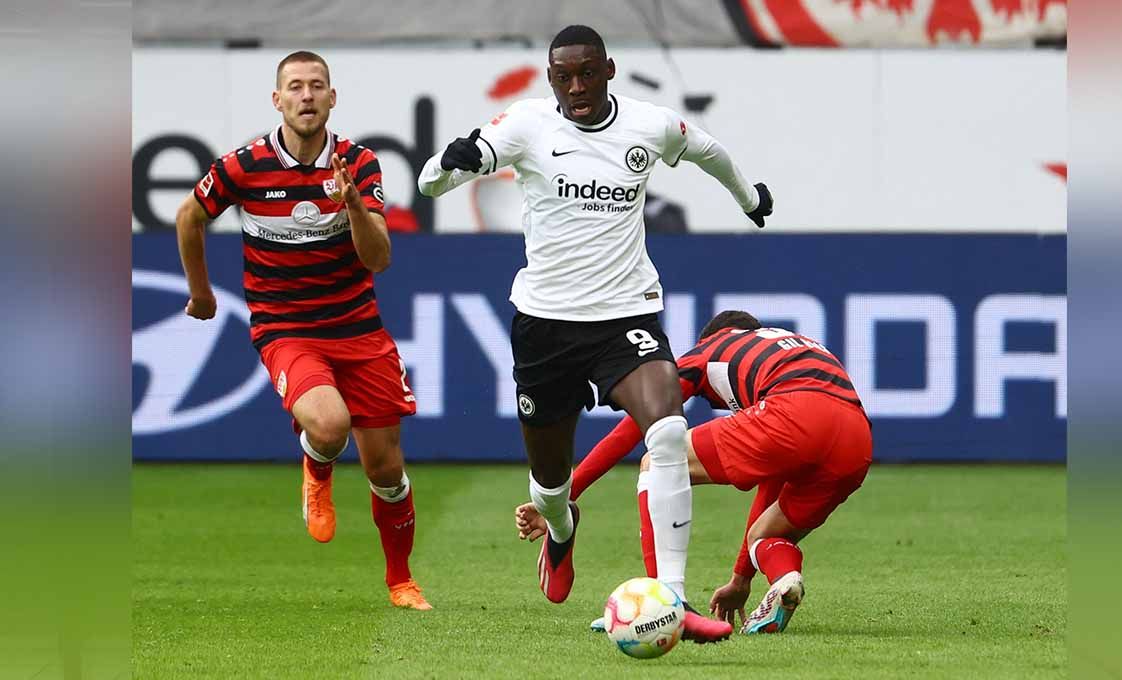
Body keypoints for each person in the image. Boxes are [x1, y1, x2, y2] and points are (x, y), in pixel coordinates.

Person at [418, 24, 771, 641]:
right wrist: (446, 170)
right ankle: (561, 529)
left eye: (587, 73)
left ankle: (673, 599)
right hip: (545, 326)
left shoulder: (649, 125)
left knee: (666, 431)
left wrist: (749, 199)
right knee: (550, 484)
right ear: (550, 79)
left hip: (624, 315)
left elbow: (709, 151)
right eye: (564, 77)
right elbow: (430, 180)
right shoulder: (527, 126)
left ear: (609, 70)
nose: (576, 87)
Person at [175, 51, 430, 610]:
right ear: (278, 100)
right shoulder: (244, 167)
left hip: (359, 330)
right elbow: (189, 217)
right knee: (330, 423)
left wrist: (354, 207)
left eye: (317, 86)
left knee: (387, 469)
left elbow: (379, 259)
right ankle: (316, 464)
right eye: (295, 87)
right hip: (286, 326)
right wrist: (201, 291)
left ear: (333, 98)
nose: (307, 95)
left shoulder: (359, 163)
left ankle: (400, 581)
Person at [515, 310, 873, 635]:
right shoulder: (793, 345)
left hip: (794, 412)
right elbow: (774, 479)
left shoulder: (710, 348)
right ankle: (785, 579)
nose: (711, 402)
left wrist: (569, 493)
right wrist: (740, 580)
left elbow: (632, 432)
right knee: (765, 534)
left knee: (656, 462)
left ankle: (659, 605)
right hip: (856, 439)